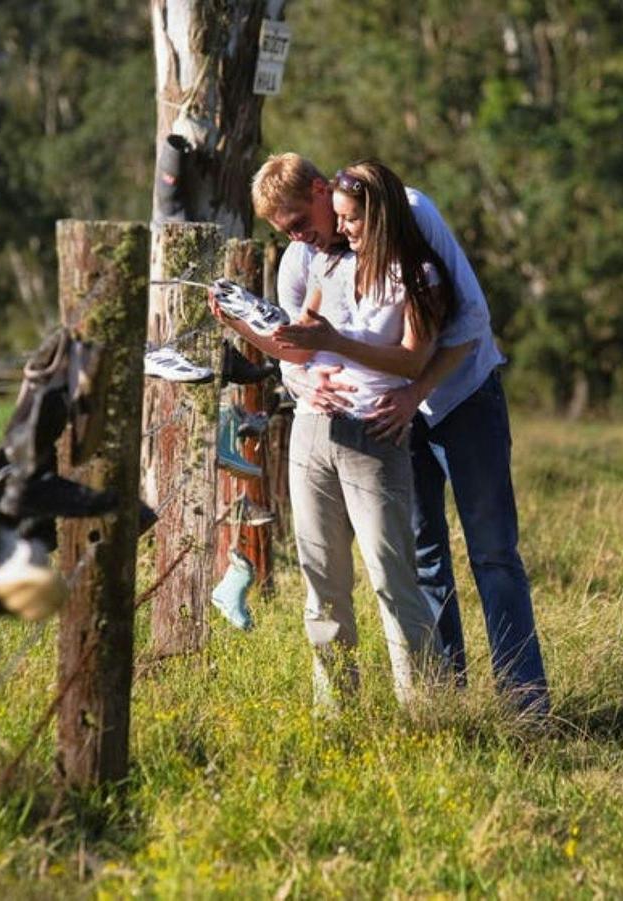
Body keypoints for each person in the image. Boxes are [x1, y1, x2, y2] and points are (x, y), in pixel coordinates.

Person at [251, 153, 550, 715]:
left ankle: (524, 702)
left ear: (323, 192)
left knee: (492, 553)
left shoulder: (411, 216)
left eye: (300, 223)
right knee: (424, 555)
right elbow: (300, 343)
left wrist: (415, 392)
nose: (309, 237)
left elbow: (469, 322)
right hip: (390, 416)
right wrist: (299, 376)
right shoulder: (314, 255)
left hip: (461, 398)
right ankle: (447, 697)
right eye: (288, 233)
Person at [213, 160, 451, 711]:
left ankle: (428, 709)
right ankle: (336, 709)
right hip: (313, 431)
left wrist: (337, 342)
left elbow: (416, 357)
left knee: (393, 579)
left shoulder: (415, 270)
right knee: (321, 584)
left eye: (347, 218)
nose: (334, 230)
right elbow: (298, 344)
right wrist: (240, 323)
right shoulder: (317, 265)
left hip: (373, 430)